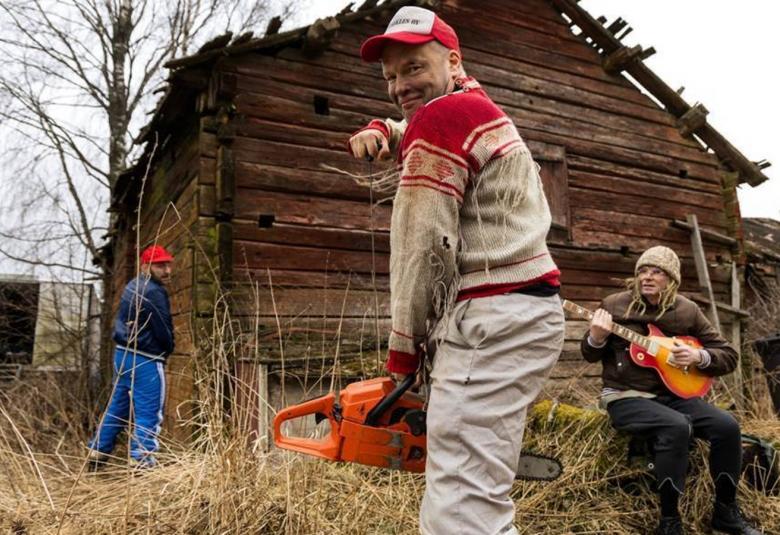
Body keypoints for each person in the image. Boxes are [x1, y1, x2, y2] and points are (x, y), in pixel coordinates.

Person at [348, 7, 564, 534]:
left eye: (414, 69)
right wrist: (391, 130)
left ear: (452, 59)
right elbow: (442, 126)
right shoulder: (475, 110)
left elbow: (421, 249)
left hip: (491, 320)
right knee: (472, 495)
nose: (400, 85)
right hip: (520, 314)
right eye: (391, 77)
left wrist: (403, 350)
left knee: (460, 511)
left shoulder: (444, 119)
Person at [581, 245, 761, 535]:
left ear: (672, 280)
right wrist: (596, 337)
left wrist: (699, 357)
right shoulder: (614, 304)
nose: (647, 277)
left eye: (656, 272)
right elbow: (589, 354)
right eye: (642, 271)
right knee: (677, 427)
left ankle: (725, 513)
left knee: (727, 426)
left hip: (674, 395)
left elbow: (727, 354)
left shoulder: (686, 310)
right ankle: (669, 522)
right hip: (626, 395)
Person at [87, 245, 175, 469]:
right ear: (145, 266)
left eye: (168, 264)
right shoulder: (154, 291)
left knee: (117, 408)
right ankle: (142, 463)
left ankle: (97, 452)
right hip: (145, 358)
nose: (166, 270)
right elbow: (163, 329)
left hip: (123, 356)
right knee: (149, 412)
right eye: (160, 265)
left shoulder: (132, 286)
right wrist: (168, 348)